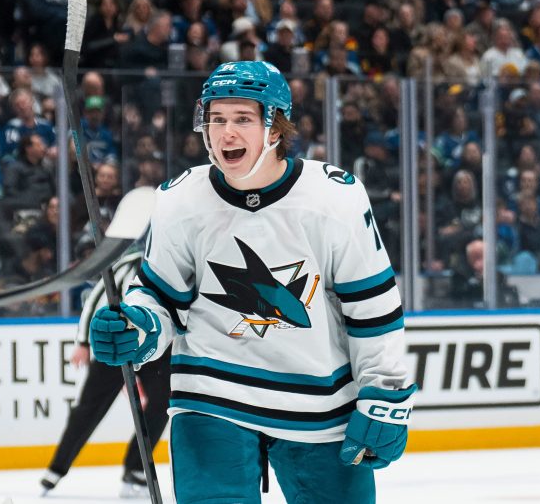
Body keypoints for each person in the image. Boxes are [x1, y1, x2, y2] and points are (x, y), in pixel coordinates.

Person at [88, 61, 415, 503]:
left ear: (275, 128)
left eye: (242, 119)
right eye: (216, 119)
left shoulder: (334, 198)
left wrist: (384, 393)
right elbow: (159, 297)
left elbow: (372, 305)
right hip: (212, 397)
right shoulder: (180, 200)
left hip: (318, 403)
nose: (226, 133)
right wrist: (139, 327)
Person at [40, 248, 172, 499]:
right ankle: (56, 468)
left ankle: (135, 468)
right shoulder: (130, 264)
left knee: (162, 403)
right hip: (118, 345)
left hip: (156, 347)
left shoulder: (176, 264)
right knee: (89, 408)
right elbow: (95, 299)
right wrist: (83, 341)